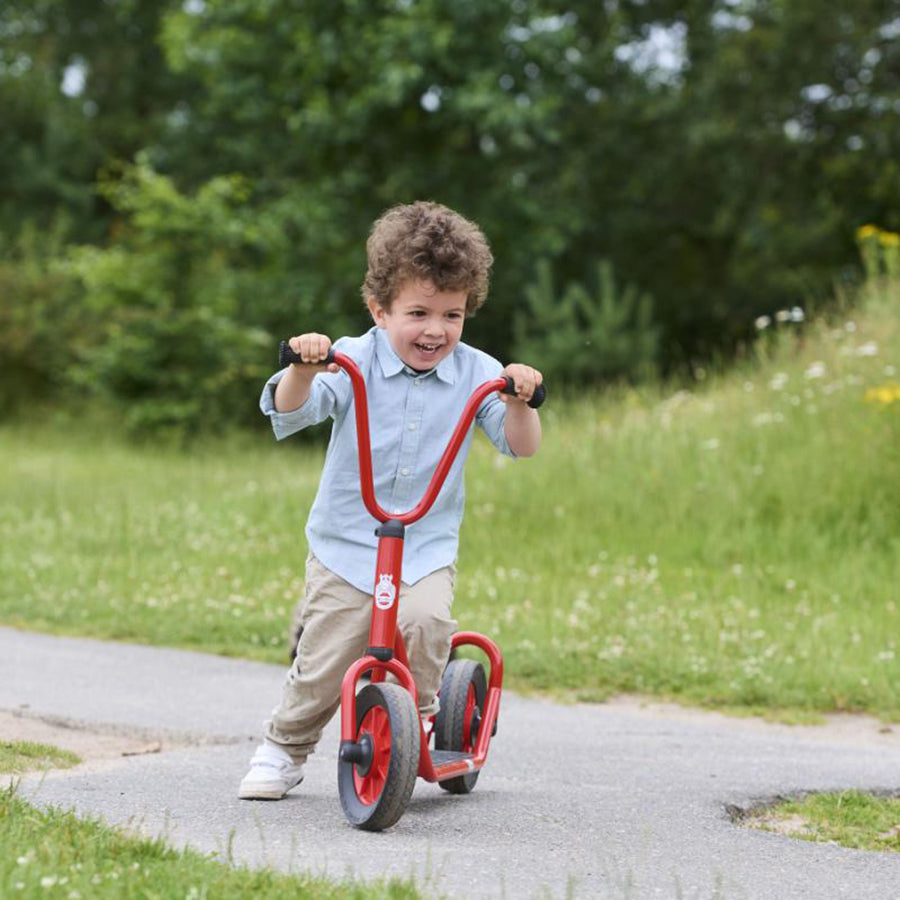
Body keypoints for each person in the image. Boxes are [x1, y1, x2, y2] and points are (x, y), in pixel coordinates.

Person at [239, 200, 542, 799]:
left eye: (452, 314)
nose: (436, 330)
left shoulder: (479, 371)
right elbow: (296, 410)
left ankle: (418, 721)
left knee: (425, 623)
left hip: (424, 544)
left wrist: (518, 401)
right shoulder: (350, 359)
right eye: (418, 312)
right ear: (379, 310)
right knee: (327, 658)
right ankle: (284, 747)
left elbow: (520, 446)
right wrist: (305, 366)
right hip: (347, 544)